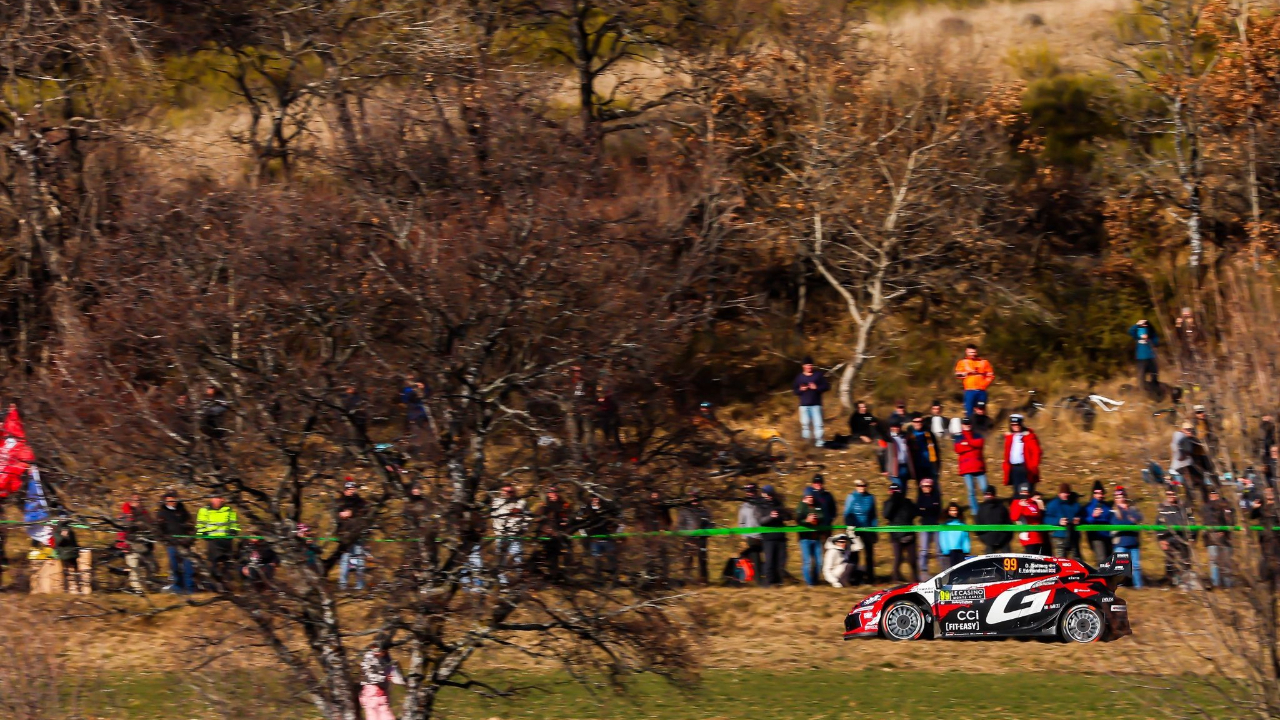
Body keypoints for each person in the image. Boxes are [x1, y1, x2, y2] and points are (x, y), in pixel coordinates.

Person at [1156, 487, 1196, 589]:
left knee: (1185, 561)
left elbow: (1192, 523)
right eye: (1168, 494)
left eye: (1173, 494)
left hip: (1183, 539)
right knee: (1170, 562)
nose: (1171, 496)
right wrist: (1161, 539)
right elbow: (1158, 524)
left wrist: (1192, 538)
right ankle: (1171, 583)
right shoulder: (1163, 508)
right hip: (1169, 539)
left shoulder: (1185, 507)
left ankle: (1186, 584)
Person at [196, 493, 239, 589]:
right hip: (212, 541)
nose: (216, 500)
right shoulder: (204, 510)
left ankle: (227, 586)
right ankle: (213, 586)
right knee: (213, 564)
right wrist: (204, 533)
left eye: (219, 498)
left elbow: (234, 524)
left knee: (227, 564)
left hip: (226, 540)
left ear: (222, 499)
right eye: (214, 498)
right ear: (211, 499)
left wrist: (233, 531)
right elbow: (200, 525)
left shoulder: (229, 510)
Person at [157, 491, 195, 594]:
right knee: (174, 567)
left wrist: (189, 539)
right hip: (171, 544)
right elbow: (159, 530)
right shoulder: (162, 513)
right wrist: (167, 539)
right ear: (165, 501)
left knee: (188, 566)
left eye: (173, 499)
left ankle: (190, 588)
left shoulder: (183, 511)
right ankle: (178, 587)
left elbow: (191, 526)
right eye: (169, 500)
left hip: (185, 543)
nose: (172, 502)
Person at [491, 484, 529, 585]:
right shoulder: (497, 502)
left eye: (510, 492)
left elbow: (527, 517)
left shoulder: (521, 502)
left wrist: (524, 528)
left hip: (516, 534)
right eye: (505, 491)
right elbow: (494, 517)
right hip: (501, 535)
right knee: (501, 559)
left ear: (514, 492)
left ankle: (519, 580)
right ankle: (502, 582)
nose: (507, 494)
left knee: (517, 557)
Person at [335, 480, 370, 590]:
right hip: (344, 534)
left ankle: (360, 585)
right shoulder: (339, 502)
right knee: (345, 560)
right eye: (350, 489)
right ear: (345, 490)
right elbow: (334, 515)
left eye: (353, 489)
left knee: (359, 559)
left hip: (357, 533)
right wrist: (340, 514)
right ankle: (342, 585)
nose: (352, 491)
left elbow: (366, 511)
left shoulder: (360, 501)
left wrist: (352, 513)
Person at [842, 480, 878, 584]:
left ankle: (870, 577)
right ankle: (854, 577)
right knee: (855, 554)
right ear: (856, 486)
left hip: (867, 528)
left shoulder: (870, 497)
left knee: (869, 554)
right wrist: (851, 528)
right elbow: (847, 513)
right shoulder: (851, 497)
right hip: (855, 529)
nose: (861, 487)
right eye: (859, 485)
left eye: (863, 485)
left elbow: (873, 515)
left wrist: (874, 530)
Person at [675, 490, 713, 585]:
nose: (694, 499)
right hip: (689, 538)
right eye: (692, 497)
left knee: (702, 559)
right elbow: (680, 525)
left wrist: (707, 531)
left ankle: (703, 579)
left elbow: (711, 524)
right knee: (688, 559)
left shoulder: (705, 510)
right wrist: (686, 533)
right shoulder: (684, 511)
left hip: (702, 538)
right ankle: (687, 579)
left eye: (696, 497)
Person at [883, 484, 918, 582]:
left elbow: (915, 512)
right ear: (889, 492)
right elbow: (886, 514)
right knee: (898, 558)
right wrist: (893, 500)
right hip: (896, 535)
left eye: (896, 491)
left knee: (913, 559)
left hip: (909, 533)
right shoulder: (888, 503)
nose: (894, 493)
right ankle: (895, 577)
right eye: (892, 491)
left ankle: (915, 578)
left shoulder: (907, 502)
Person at [536, 486, 573, 580]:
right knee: (552, 556)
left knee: (567, 553)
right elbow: (538, 518)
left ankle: (567, 573)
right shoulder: (544, 505)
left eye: (555, 492)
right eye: (551, 492)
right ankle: (553, 575)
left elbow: (570, 516)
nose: (554, 494)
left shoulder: (564, 504)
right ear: (548, 494)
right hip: (549, 534)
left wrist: (566, 521)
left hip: (563, 533)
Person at [360, 644, 405, 720]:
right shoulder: (369, 659)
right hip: (371, 696)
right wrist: (385, 677)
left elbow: (396, 678)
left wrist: (405, 680)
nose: (380, 653)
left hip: (382, 697)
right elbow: (370, 676)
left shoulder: (386, 661)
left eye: (383, 651)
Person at [792, 357, 830, 447]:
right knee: (805, 425)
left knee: (818, 424)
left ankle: (819, 443)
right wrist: (801, 389)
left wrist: (816, 388)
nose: (809, 367)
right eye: (807, 365)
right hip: (804, 405)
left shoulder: (818, 375)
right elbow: (795, 391)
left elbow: (827, 387)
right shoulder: (799, 377)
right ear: (803, 366)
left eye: (810, 365)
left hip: (816, 405)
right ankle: (807, 444)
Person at [1201, 487, 1235, 588]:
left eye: (1216, 494)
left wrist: (1223, 530)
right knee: (1214, 561)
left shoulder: (1227, 507)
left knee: (1226, 562)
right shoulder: (1205, 508)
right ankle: (1216, 583)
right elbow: (1207, 521)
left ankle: (1228, 584)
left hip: (1225, 539)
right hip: (1211, 538)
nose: (1214, 496)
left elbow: (1231, 522)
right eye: (1212, 494)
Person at [758, 485, 790, 587]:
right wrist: (770, 517)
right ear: (763, 494)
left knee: (781, 561)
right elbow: (760, 521)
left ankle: (779, 582)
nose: (770, 496)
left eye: (771, 494)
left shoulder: (778, 503)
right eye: (768, 494)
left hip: (781, 537)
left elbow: (787, 516)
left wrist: (782, 515)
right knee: (770, 561)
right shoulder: (760, 505)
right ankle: (769, 582)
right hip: (768, 538)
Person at [795, 492, 829, 586]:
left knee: (819, 562)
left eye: (812, 497)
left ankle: (815, 580)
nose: (810, 498)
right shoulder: (801, 506)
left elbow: (822, 516)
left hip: (816, 538)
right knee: (807, 561)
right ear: (805, 497)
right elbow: (797, 519)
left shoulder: (817, 505)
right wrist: (807, 520)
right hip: (805, 538)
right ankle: (809, 583)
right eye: (808, 497)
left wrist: (816, 518)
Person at [1002, 415, 1042, 494]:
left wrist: (1033, 466)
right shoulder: (1010, 437)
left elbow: (1037, 452)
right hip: (1014, 469)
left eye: (1017, 424)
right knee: (1016, 491)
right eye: (1013, 425)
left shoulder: (1028, 436)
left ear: (1021, 424)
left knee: (1027, 491)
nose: (1015, 426)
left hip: (1025, 468)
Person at [953, 417, 986, 512]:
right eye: (965, 424)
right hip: (966, 468)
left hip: (979, 467)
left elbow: (980, 444)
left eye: (969, 424)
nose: (967, 425)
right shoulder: (958, 437)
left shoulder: (977, 435)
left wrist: (967, 443)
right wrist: (972, 445)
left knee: (985, 489)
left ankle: (986, 508)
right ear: (962, 425)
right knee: (971, 491)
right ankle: (975, 511)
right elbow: (958, 449)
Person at [1112, 490, 1144, 588]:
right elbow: (1116, 523)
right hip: (1120, 543)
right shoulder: (1114, 511)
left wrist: (1131, 518)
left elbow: (1140, 517)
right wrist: (1130, 521)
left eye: (1122, 496)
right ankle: (1118, 587)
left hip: (1133, 542)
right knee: (1119, 567)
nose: (1120, 498)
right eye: (1117, 497)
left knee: (1136, 567)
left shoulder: (1132, 509)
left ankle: (1139, 587)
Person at [737, 484, 767, 585]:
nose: (750, 493)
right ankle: (759, 581)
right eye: (748, 491)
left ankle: (770, 577)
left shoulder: (762, 502)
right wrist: (744, 536)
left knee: (769, 557)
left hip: (764, 535)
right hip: (752, 537)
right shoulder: (743, 506)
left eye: (752, 491)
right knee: (756, 559)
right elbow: (741, 523)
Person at [954, 344, 995, 417]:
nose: (973, 354)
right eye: (971, 353)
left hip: (981, 391)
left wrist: (984, 384)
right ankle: (970, 426)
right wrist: (967, 373)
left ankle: (982, 427)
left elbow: (990, 375)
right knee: (969, 412)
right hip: (969, 391)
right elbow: (957, 375)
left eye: (974, 353)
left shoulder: (984, 362)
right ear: (966, 351)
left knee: (981, 411)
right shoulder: (962, 362)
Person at [1044, 483, 1083, 560]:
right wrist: (1058, 521)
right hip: (1059, 537)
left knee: (1076, 560)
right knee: (1061, 561)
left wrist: (1079, 519)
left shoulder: (1075, 504)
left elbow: (1082, 514)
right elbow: (1046, 518)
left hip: (1073, 536)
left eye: (1067, 493)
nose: (1066, 495)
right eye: (1063, 493)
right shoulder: (1053, 504)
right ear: (1059, 493)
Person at [915, 478, 942, 580]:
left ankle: (943, 570)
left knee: (939, 550)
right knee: (924, 550)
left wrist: (926, 509)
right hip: (924, 525)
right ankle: (923, 570)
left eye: (929, 486)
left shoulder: (936, 496)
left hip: (935, 525)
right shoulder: (920, 498)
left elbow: (937, 510)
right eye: (924, 486)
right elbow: (918, 511)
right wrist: (928, 509)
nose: (927, 488)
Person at [1081, 481, 1114, 564]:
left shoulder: (1108, 506)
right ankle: (1103, 576)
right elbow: (1084, 520)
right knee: (1101, 559)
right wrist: (1093, 516)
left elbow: (1112, 518)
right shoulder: (1088, 507)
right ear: (1093, 494)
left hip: (1108, 536)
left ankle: (1108, 576)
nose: (1099, 495)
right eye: (1097, 493)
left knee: (1111, 558)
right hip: (1096, 536)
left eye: (1101, 493)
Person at [1010, 487, 1047, 555]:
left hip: (1039, 537)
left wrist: (1042, 508)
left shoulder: (1034, 504)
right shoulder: (1017, 502)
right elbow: (1014, 517)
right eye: (1023, 492)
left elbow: (1040, 518)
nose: (1025, 494)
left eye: (1026, 492)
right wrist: (1020, 506)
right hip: (1028, 537)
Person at [975, 486, 1012, 553]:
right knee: (989, 562)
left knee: (1008, 560)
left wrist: (1006, 538)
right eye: (986, 494)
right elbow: (978, 524)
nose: (988, 496)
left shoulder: (1002, 507)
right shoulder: (981, 508)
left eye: (990, 494)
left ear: (994, 495)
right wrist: (985, 539)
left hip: (1003, 540)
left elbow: (1009, 522)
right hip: (989, 541)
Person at [1128, 319, 1160, 396]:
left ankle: (1155, 391)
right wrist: (1137, 324)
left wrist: (1150, 339)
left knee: (1154, 374)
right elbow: (1130, 331)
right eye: (1142, 325)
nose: (1144, 326)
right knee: (1141, 377)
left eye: (1145, 325)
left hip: (1151, 357)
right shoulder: (1137, 334)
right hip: (1141, 358)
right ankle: (1143, 393)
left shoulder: (1151, 333)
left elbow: (1156, 341)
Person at [907, 415, 941, 483]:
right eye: (916, 421)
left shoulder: (929, 434)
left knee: (934, 488)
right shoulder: (909, 436)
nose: (918, 423)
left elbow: (936, 449)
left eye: (920, 421)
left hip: (931, 465)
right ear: (912, 423)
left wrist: (938, 464)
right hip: (917, 466)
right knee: (921, 488)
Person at [937, 503, 971, 569]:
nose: (954, 512)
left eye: (955, 510)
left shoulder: (962, 525)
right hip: (949, 553)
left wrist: (966, 549)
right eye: (952, 510)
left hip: (960, 551)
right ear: (948, 511)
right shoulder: (945, 525)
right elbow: (943, 538)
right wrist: (945, 550)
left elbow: (965, 538)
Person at [883, 422, 916, 490]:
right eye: (893, 427)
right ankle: (895, 499)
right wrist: (883, 469)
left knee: (904, 488)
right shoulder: (887, 438)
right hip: (893, 467)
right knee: (898, 488)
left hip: (904, 465)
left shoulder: (905, 437)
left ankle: (901, 500)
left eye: (897, 427)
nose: (895, 429)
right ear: (890, 428)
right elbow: (881, 453)